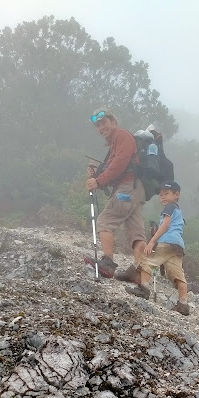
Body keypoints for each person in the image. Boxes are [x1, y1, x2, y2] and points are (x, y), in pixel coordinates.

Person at [85, 108, 146, 280]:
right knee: (136, 232)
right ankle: (139, 272)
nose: (101, 127)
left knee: (105, 220)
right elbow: (115, 168)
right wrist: (97, 174)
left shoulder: (122, 136)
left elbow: (119, 164)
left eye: (104, 122)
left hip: (127, 187)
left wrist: (98, 180)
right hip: (135, 189)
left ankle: (108, 263)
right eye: (98, 125)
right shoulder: (113, 144)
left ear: (114, 121)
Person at [126, 181, 190, 316]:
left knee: (147, 261)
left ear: (176, 194)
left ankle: (144, 289)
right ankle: (183, 304)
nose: (163, 197)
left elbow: (166, 225)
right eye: (161, 195)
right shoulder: (178, 210)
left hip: (167, 241)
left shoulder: (169, 207)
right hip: (178, 245)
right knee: (177, 274)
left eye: (166, 193)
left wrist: (152, 241)